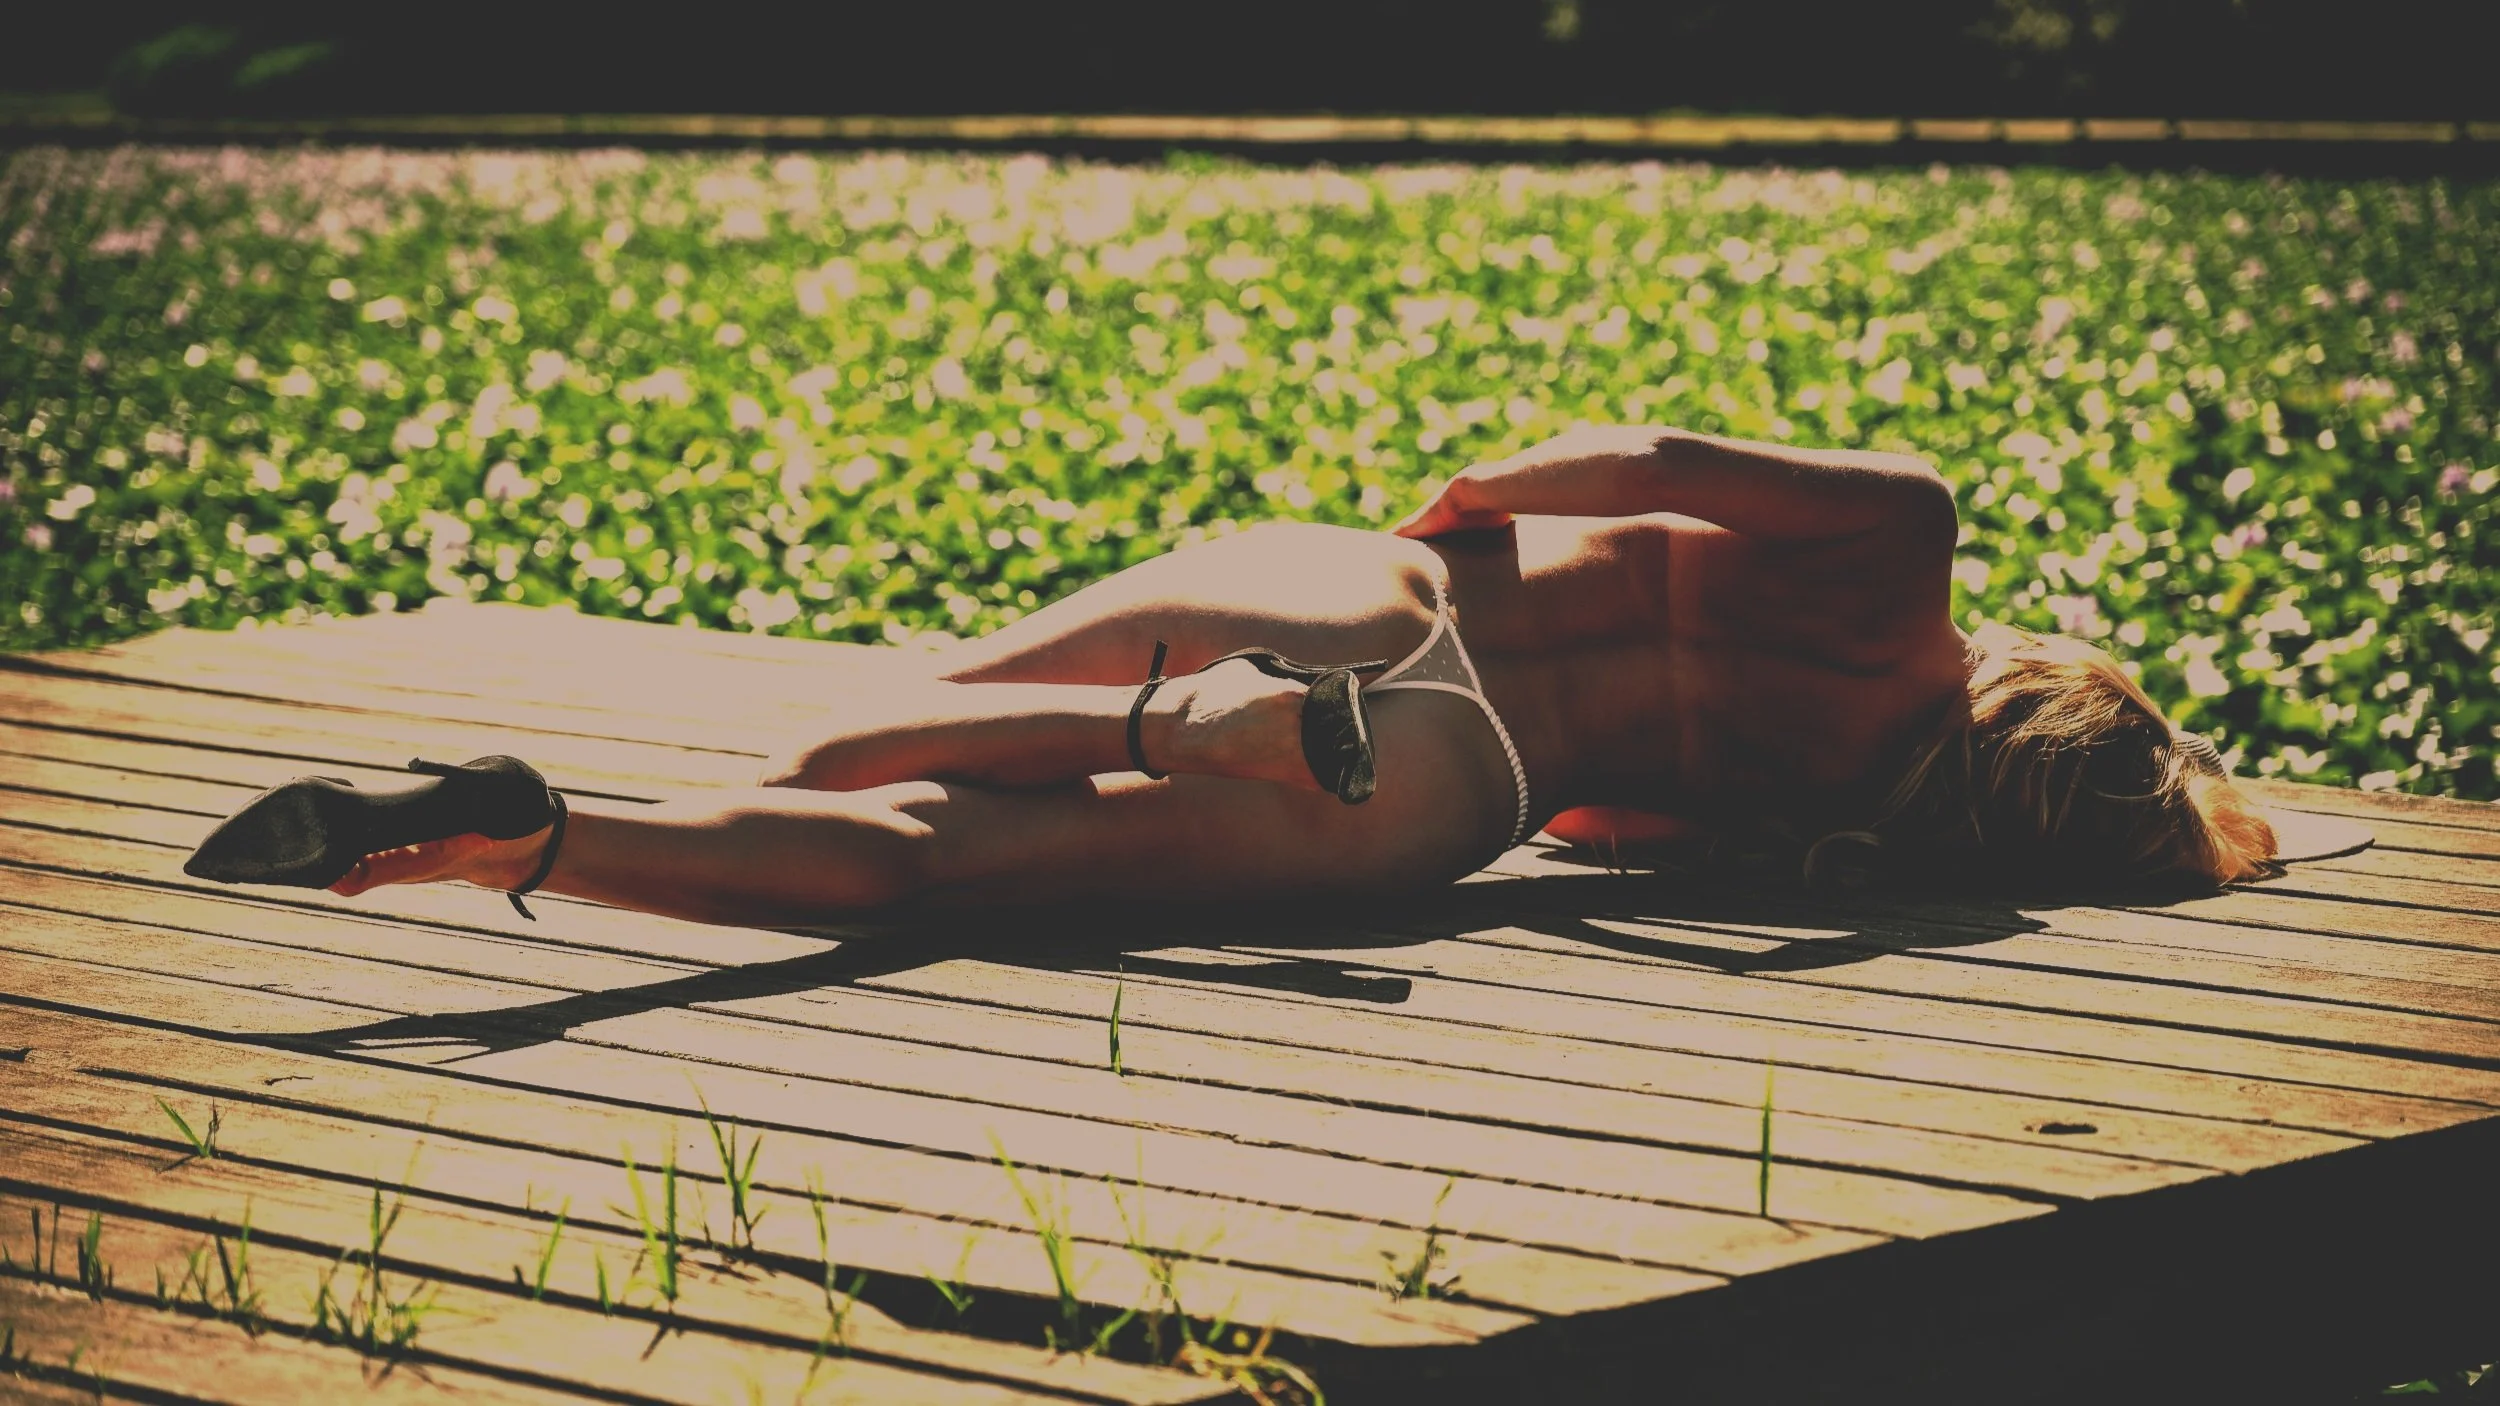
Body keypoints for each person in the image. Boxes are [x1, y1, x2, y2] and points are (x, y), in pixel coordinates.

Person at [185, 425, 2287, 929]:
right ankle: (532, 836)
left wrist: (1413, 548)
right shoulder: (1863, 846)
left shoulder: (1908, 533)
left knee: (859, 732)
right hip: (1452, 788)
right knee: (924, 861)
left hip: (1402, 603)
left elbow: (1631, 457)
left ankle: (1163, 704)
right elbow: (1587, 820)